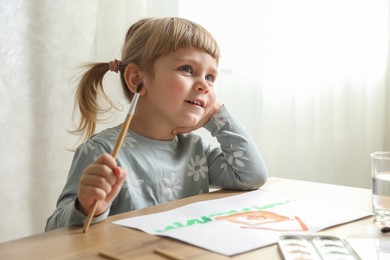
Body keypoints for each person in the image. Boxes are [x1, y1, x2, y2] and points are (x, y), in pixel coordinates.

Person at [45, 17, 268, 231]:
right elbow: (54, 230)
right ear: (137, 80)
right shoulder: (104, 151)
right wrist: (86, 207)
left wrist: (216, 115)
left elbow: (251, 176)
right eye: (187, 69)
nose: (204, 85)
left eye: (210, 77)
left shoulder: (196, 150)